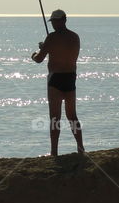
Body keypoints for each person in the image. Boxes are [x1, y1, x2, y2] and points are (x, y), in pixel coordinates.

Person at [31, 9, 84, 156]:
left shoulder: (51, 38)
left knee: (55, 118)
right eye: (52, 22)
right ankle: (81, 148)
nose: (53, 24)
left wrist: (35, 53)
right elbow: (66, 53)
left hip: (55, 79)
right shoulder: (75, 37)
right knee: (72, 116)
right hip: (70, 78)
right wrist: (48, 46)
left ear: (63, 20)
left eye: (55, 21)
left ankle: (54, 152)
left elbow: (39, 59)